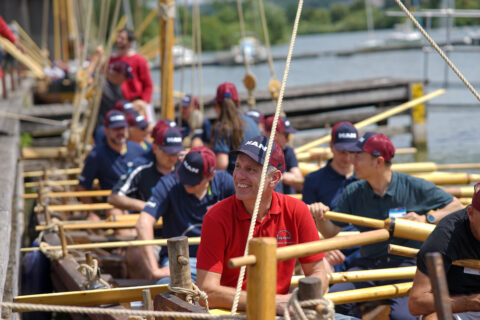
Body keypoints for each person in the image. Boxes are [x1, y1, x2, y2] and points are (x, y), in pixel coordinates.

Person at [311, 132, 464, 320]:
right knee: (334, 303)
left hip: (407, 267)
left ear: (378, 162)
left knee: (403, 317)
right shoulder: (354, 191)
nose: (352, 161)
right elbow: (330, 232)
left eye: (358, 156)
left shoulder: (412, 185)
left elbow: (456, 206)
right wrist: (320, 216)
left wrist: (427, 219)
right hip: (369, 266)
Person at [196, 135, 329, 315]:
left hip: (281, 310)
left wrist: (296, 300)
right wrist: (272, 301)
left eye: (250, 169)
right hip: (232, 313)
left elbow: (319, 274)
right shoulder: (216, 217)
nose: (239, 176)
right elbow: (207, 291)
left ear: (274, 179)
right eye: (237, 166)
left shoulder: (297, 210)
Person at [134, 147, 235, 280]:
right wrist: (154, 270)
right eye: (184, 176)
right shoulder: (168, 183)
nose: (186, 183)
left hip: (219, 260)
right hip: (180, 262)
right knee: (164, 287)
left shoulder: (224, 181)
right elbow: (143, 223)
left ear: (211, 175)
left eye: (193, 181)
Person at [409, 182, 480, 320]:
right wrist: (469, 303)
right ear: (470, 214)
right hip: (452, 308)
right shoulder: (445, 237)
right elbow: (416, 302)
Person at [303, 121, 360, 272]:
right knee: (314, 272)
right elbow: (304, 225)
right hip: (329, 247)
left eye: (352, 151)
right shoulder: (313, 180)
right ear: (331, 146)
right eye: (342, 151)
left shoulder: (368, 178)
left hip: (363, 249)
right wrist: (322, 249)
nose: (347, 157)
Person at [108, 122, 184, 213]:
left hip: (178, 224)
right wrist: (149, 207)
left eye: (175, 153)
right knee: (114, 212)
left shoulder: (185, 169)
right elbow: (114, 197)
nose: (171, 157)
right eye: (167, 152)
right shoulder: (142, 169)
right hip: (149, 222)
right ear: (155, 148)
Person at [211, 82, 260, 174]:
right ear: (238, 103)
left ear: (217, 105)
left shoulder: (222, 128)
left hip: (236, 181)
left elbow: (221, 165)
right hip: (255, 177)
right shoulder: (252, 123)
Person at [109, 28, 154, 123]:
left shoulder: (139, 60)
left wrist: (144, 102)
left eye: (122, 38)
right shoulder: (111, 61)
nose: (118, 40)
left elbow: (148, 84)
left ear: (129, 42)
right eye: (118, 38)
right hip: (118, 105)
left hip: (136, 103)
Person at [264, 115, 303, 194]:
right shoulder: (259, 153)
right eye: (286, 135)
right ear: (275, 134)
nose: (288, 140)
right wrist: (282, 176)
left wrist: (288, 178)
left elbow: (299, 183)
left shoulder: (288, 151)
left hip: (286, 201)